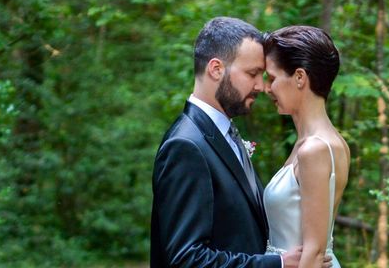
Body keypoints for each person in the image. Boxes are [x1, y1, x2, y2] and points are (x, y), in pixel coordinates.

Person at [150, 17, 326, 268]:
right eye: (252, 73)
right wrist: (277, 264)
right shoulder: (186, 145)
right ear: (216, 69)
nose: (261, 86)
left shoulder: (221, 134)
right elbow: (186, 260)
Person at [262, 26, 350, 268]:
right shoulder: (328, 142)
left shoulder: (315, 149)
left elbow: (314, 251)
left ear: (300, 77)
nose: (267, 89)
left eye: (272, 78)